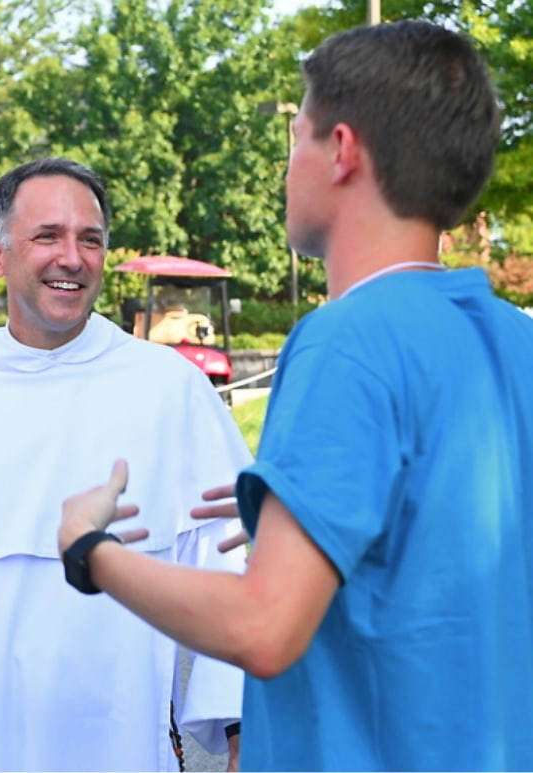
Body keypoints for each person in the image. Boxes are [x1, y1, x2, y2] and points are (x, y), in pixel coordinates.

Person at [59, 21, 533, 771]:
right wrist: (308, 528)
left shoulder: (346, 341)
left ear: (341, 151)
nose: (287, 169)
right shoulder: (516, 341)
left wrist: (91, 550)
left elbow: (265, 626)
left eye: (298, 139)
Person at [0, 157, 250, 771]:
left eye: (90, 239)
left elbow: (231, 557)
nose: (72, 258)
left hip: (125, 736)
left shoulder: (170, 390)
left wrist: (243, 728)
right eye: (47, 236)